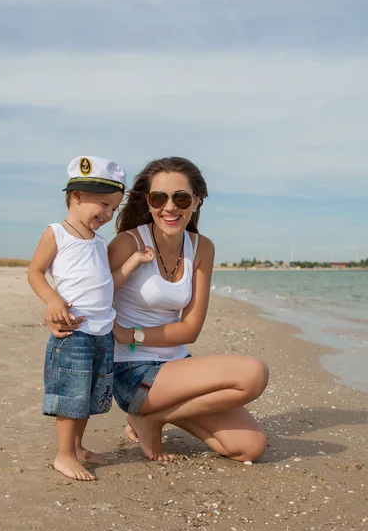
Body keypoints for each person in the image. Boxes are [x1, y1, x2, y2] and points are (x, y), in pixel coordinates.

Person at [46, 156, 269, 463]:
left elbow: (190, 329)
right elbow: (83, 291)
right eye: (158, 198)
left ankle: (153, 418)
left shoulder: (202, 248)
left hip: (175, 366)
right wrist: (55, 313)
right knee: (253, 374)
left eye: (181, 198)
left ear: (197, 201)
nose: (170, 207)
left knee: (249, 447)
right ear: (148, 202)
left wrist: (130, 333)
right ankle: (146, 413)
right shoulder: (128, 244)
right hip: (131, 371)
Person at [28, 155, 133, 481]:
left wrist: (135, 263)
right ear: (76, 196)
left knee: (89, 394)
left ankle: (78, 446)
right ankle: (64, 455)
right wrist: (53, 299)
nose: (107, 214)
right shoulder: (57, 233)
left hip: (101, 332)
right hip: (74, 331)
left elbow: (107, 283)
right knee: (71, 395)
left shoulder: (100, 244)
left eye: (113, 209)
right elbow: (35, 272)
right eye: (103, 204)